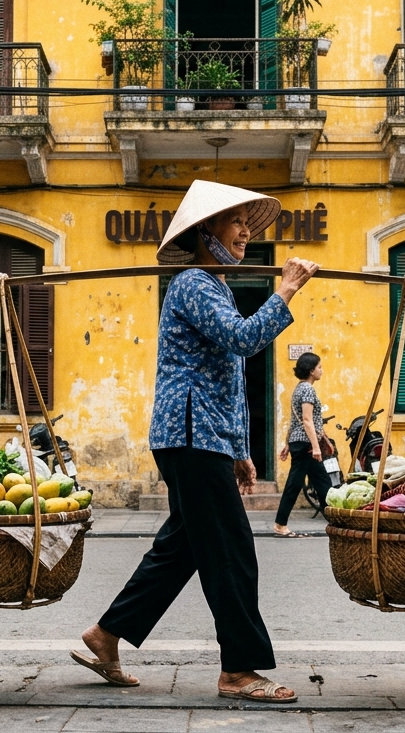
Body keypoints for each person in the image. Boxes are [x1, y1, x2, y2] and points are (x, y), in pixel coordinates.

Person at [71, 180, 319, 704]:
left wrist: (240, 451)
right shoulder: (193, 284)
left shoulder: (216, 288)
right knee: (231, 549)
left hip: (202, 437)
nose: (246, 232)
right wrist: (288, 289)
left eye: (247, 223)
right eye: (236, 223)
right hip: (188, 435)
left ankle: (106, 635)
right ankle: (240, 671)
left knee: (182, 547)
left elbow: (228, 377)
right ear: (208, 233)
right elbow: (243, 340)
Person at [273, 352, 331, 538]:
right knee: (294, 484)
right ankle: (280, 524)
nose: (322, 370)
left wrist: (287, 443)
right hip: (306, 444)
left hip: (299, 442)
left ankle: (336, 522)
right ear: (311, 370)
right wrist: (315, 447)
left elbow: (295, 420)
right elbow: (306, 420)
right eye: (319, 367)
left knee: (323, 484)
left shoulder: (299, 388)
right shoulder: (307, 390)